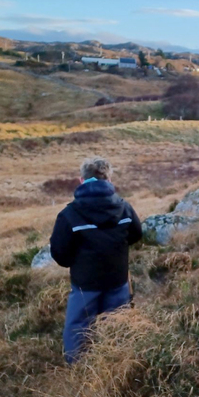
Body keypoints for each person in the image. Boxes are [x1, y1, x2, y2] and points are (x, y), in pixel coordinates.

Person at [50, 156, 142, 364]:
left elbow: (59, 253)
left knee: (79, 325)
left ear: (81, 180)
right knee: (118, 323)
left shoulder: (69, 214)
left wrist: (76, 263)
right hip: (118, 279)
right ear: (109, 179)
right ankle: (118, 364)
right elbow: (136, 234)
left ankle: (79, 369)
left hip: (85, 283)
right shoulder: (124, 207)